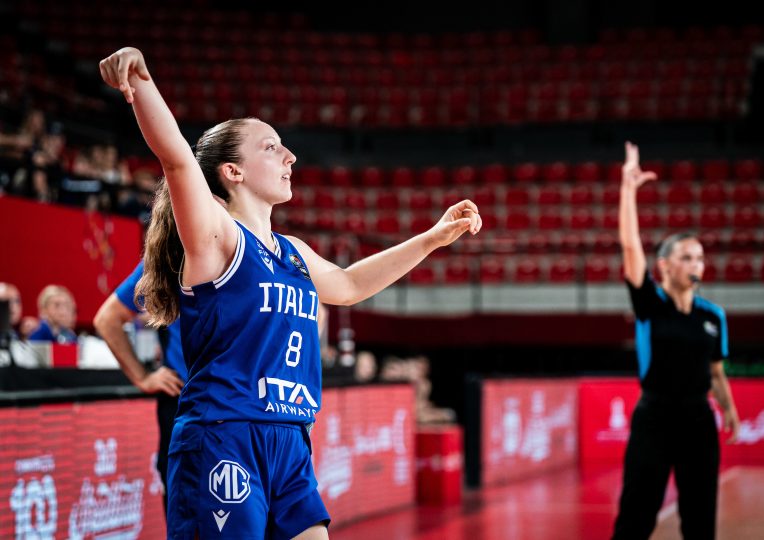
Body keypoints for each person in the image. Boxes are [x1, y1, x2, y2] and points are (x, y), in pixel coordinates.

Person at [99, 46, 481, 540]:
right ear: (232, 171)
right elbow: (177, 161)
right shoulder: (217, 238)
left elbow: (349, 285)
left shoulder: (293, 251)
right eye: (270, 147)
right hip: (225, 435)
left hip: (291, 439)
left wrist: (431, 239)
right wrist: (141, 82)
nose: (290, 156)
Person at [613, 142, 740, 539]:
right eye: (687, 257)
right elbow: (630, 245)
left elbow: (716, 371)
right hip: (654, 418)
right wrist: (628, 189)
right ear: (665, 266)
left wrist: (729, 408)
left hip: (699, 421)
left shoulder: (713, 316)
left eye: (699, 257)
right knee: (636, 518)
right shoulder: (650, 303)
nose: (695, 264)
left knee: (700, 520)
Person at [93, 261, 186, 512]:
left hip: (245, 410)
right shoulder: (168, 257)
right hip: (183, 405)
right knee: (184, 512)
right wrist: (143, 377)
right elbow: (107, 319)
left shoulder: (254, 252)